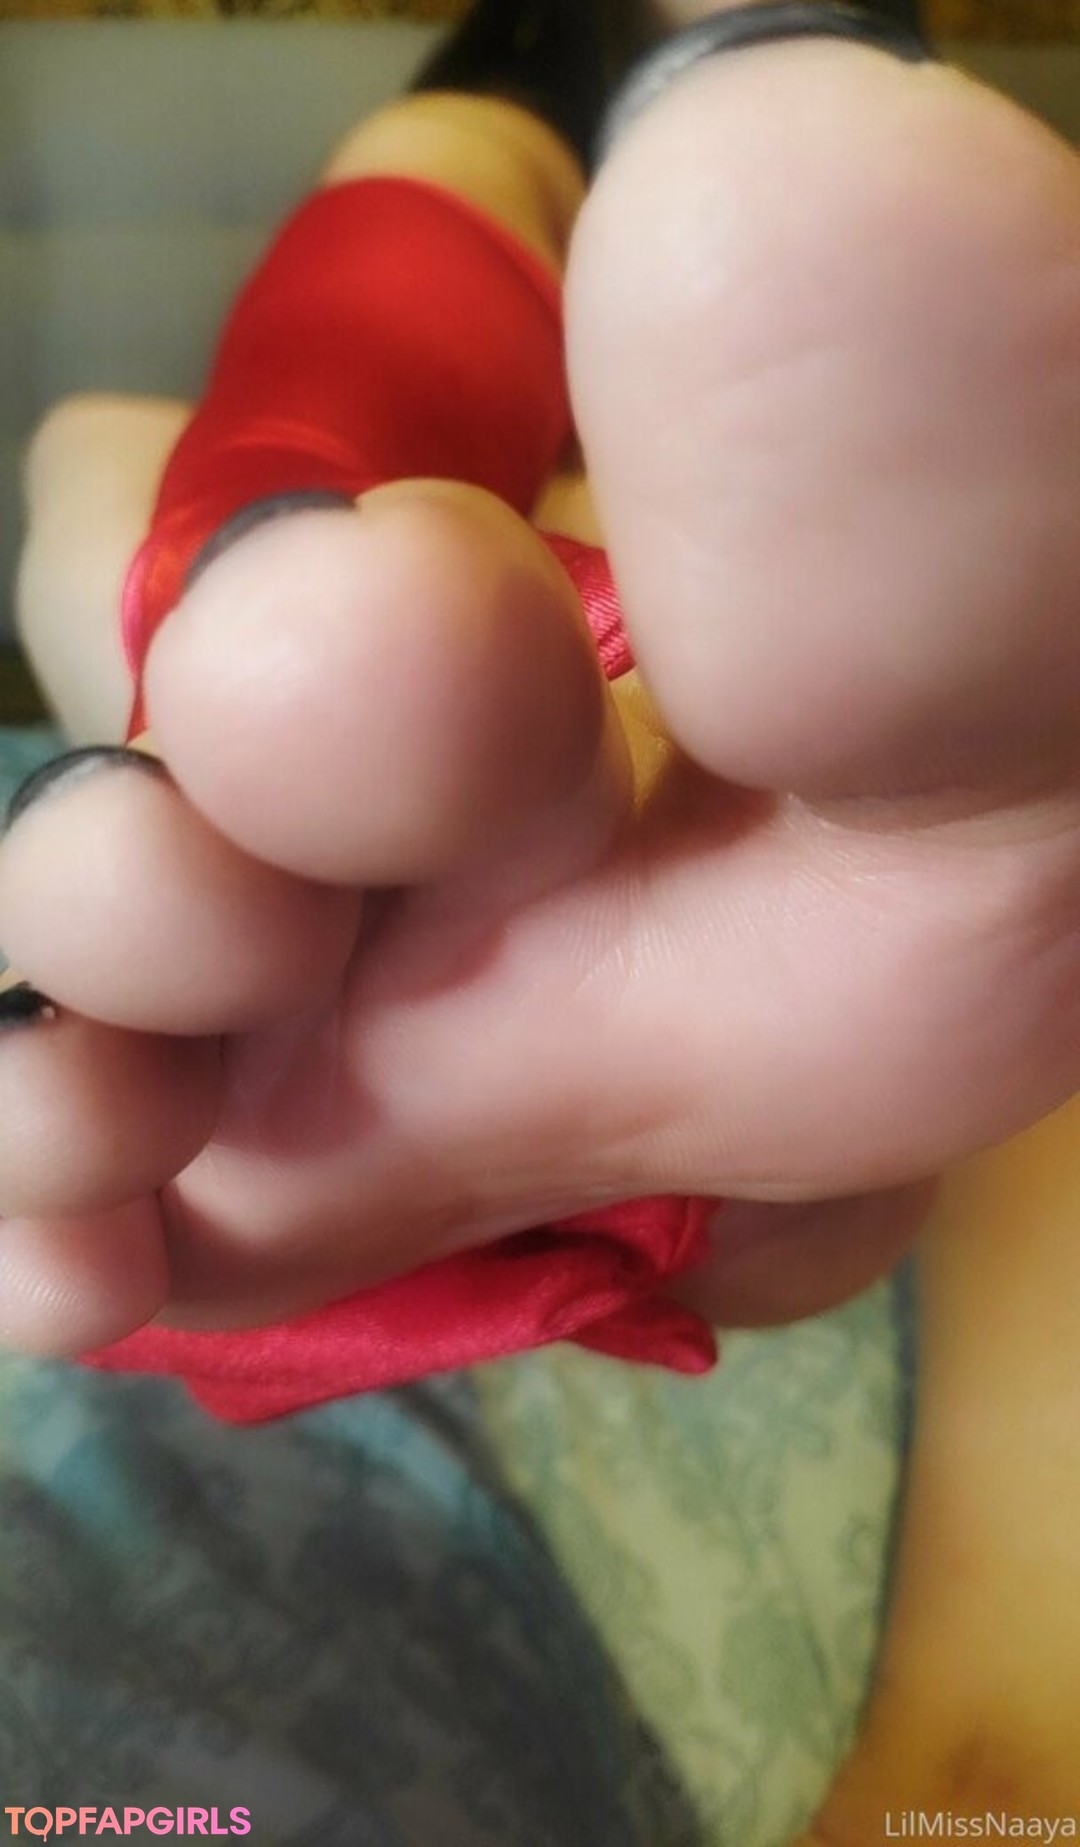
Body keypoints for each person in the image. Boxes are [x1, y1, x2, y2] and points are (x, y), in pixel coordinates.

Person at [5, 0, 1080, 1825]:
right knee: (276, 575)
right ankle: (303, 703)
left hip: (428, 631)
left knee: (250, 479)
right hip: (568, 673)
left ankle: (222, 683)